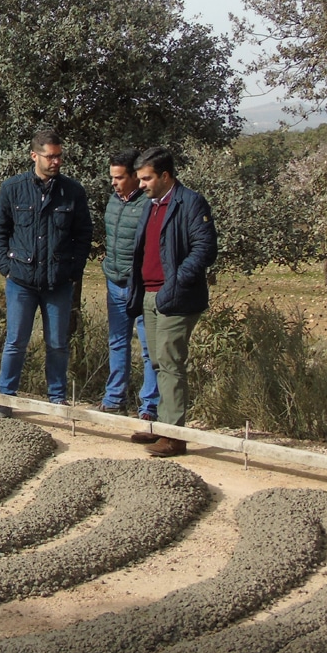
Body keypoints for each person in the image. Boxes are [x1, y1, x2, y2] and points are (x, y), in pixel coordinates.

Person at [0, 128, 93, 415]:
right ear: (34, 155)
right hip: (21, 281)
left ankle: (57, 399)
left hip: (58, 282)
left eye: (59, 156)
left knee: (58, 343)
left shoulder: (72, 192)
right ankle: (6, 399)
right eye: (50, 156)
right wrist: (6, 267)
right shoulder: (12, 188)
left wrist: (74, 270)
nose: (56, 162)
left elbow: (84, 234)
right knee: (15, 342)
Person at [125, 146, 217, 457]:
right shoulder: (150, 205)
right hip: (150, 295)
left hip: (176, 297)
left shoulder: (190, 203)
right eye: (139, 179)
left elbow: (205, 249)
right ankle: (161, 428)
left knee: (170, 363)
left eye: (147, 178)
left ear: (166, 176)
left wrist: (175, 283)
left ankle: (174, 436)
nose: (141, 185)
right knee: (157, 362)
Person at [100, 148, 159, 420]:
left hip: (143, 288)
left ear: (135, 177)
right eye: (112, 177)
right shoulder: (113, 201)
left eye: (120, 177)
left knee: (149, 350)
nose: (114, 182)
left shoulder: (149, 204)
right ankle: (114, 399)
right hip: (115, 283)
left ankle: (149, 407)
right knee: (117, 343)